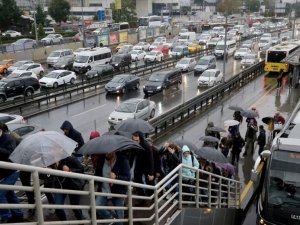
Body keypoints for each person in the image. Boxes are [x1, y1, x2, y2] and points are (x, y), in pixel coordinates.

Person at [95, 152, 130, 225]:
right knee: (97, 206)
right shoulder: (101, 159)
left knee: (120, 218)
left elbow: (127, 177)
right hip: (104, 190)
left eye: (110, 151)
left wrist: (116, 177)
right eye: (106, 151)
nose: (107, 153)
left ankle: (117, 221)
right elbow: (97, 174)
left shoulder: (123, 160)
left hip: (118, 191)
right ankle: (111, 218)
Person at [0, 123, 24, 223]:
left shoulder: (8, 138)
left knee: (0, 194)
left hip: (12, 171)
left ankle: (7, 217)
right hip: (3, 173)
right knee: (9, 194)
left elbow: (10, 154)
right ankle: (18, 214)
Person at [52, 156, 85, 221]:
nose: (53, 150)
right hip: (59, 186)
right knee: (58, 208)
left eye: (56, 148)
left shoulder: (70, 158)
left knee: (75, 207)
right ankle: (64, 222)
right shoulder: (50, 161)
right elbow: (43, 176)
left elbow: (81, 169)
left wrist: (70, 170)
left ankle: (81, 221)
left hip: (72, 186)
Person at [131, 132, 154, 196]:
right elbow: (131, 157)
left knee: (149, 180)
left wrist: (151, 173)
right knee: (137, 179)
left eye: (137, 140)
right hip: (139, 164)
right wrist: (129, 167)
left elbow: (151, 160)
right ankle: (141, 195)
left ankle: (151, 194)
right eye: (134, 140)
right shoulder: (133, 145)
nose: (135, 142)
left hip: (147, 164)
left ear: (140, 139)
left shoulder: (146, 146)